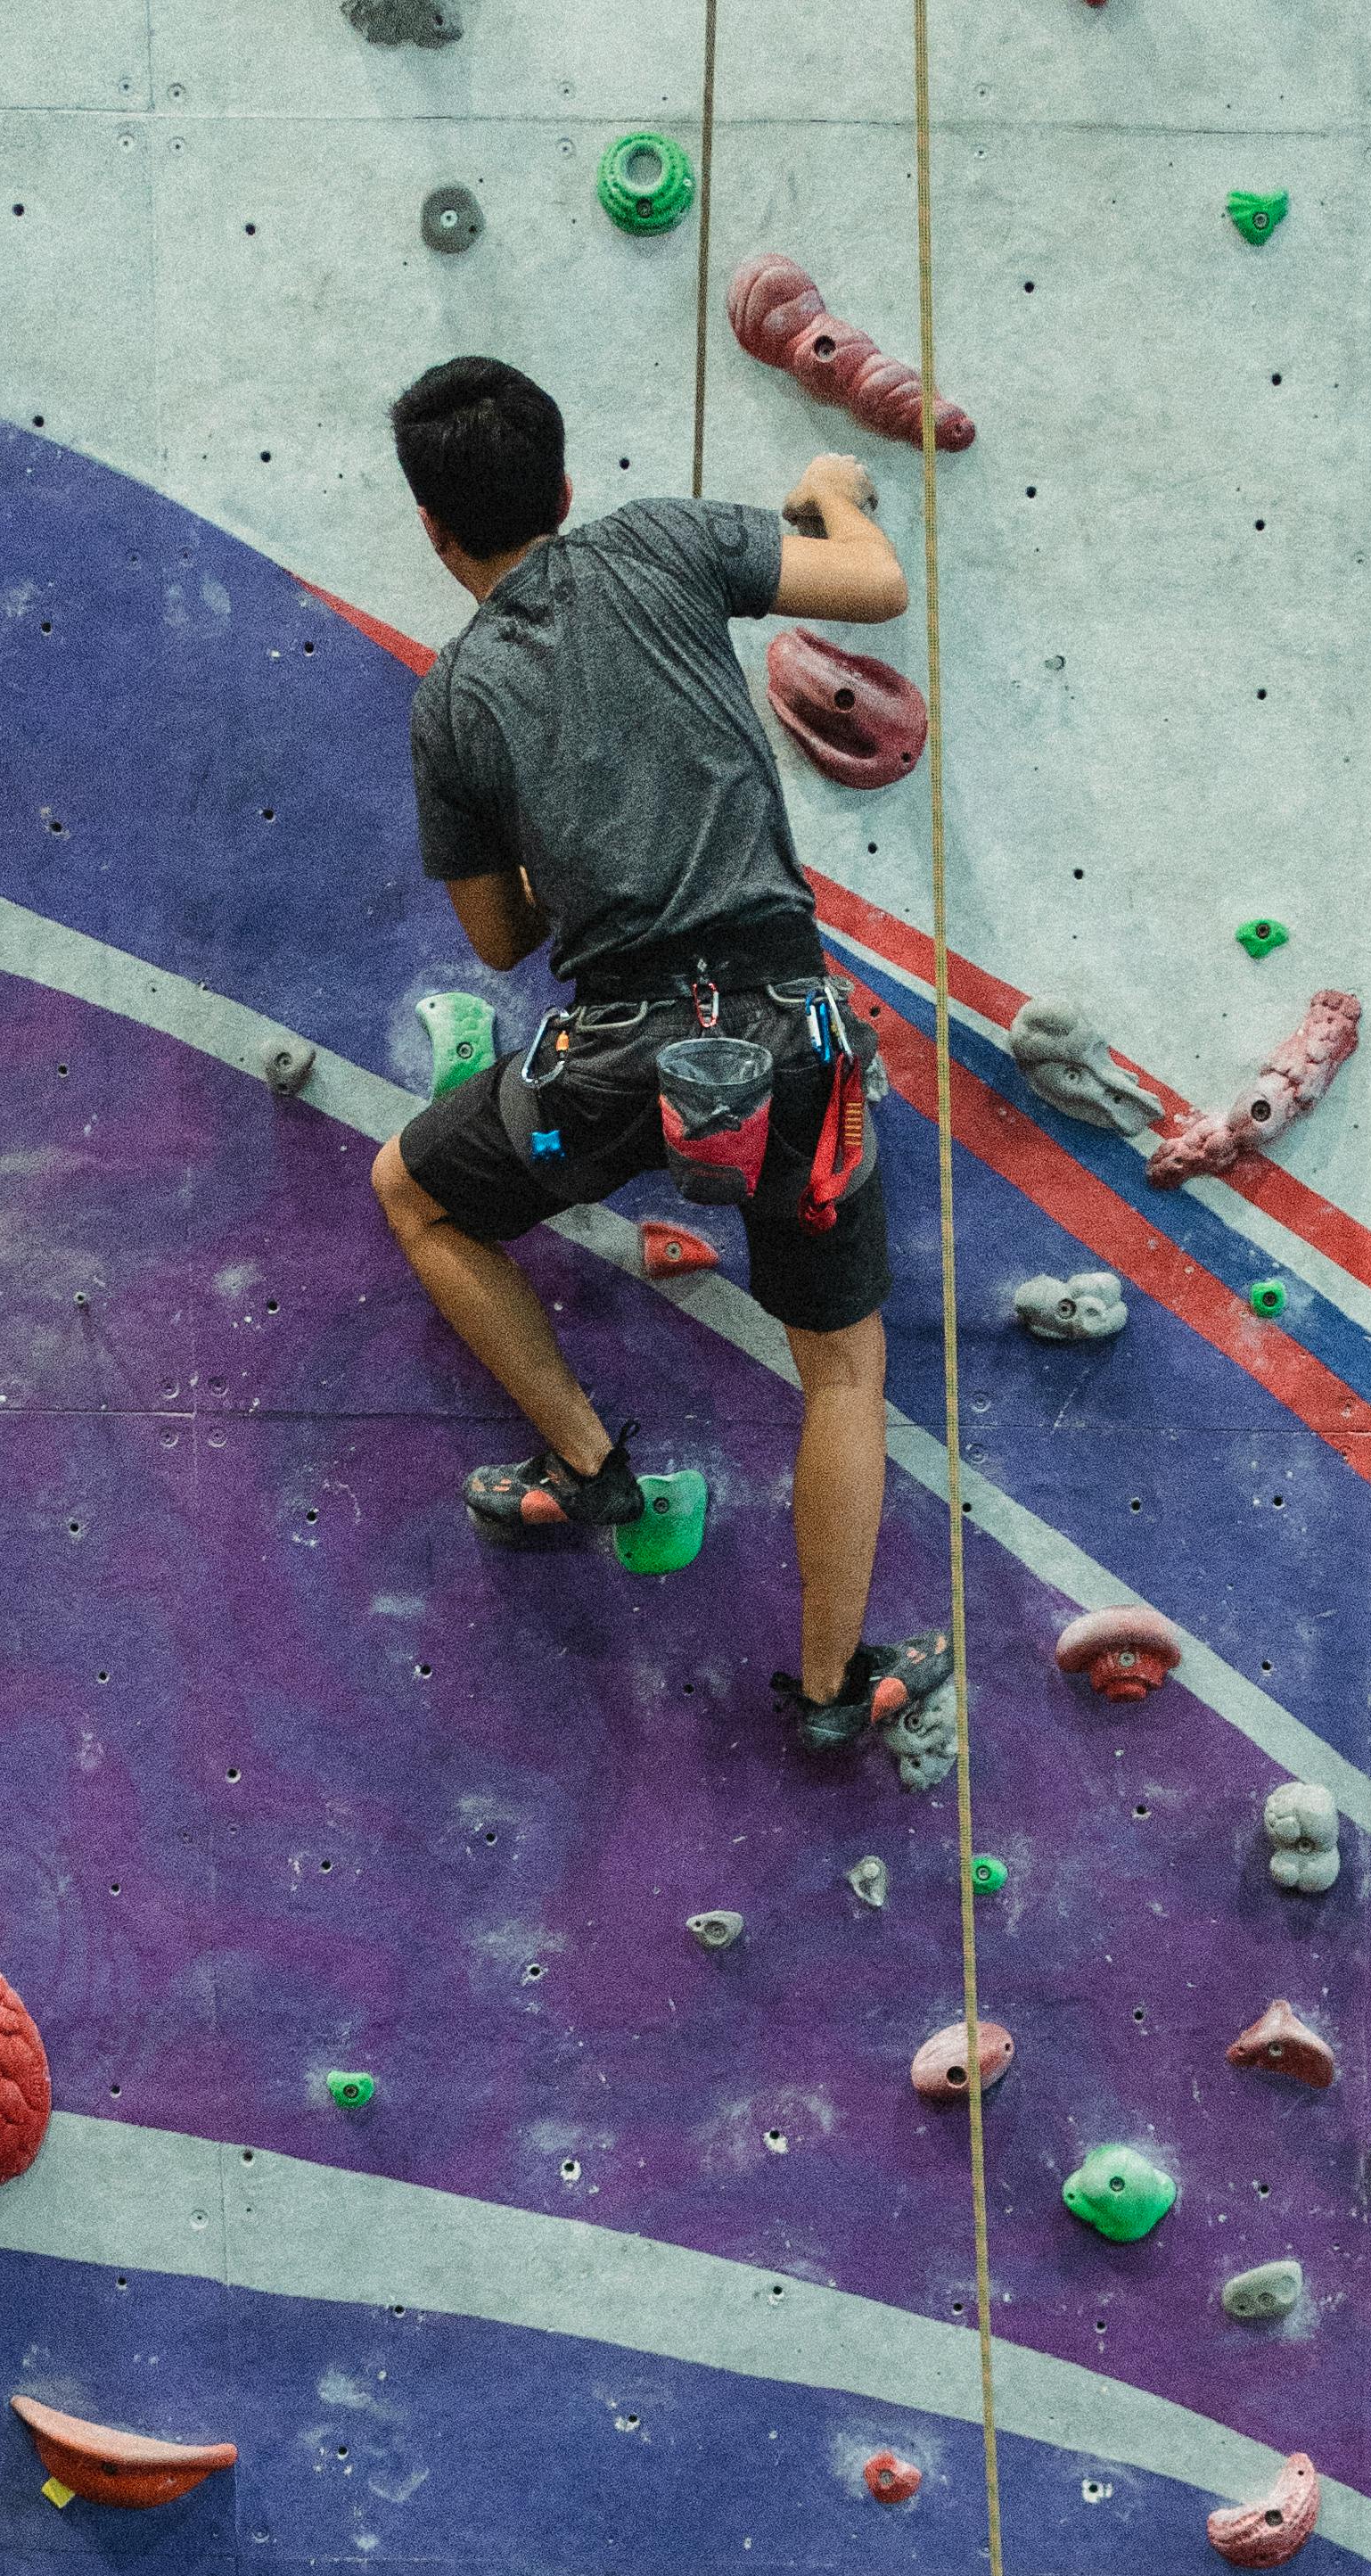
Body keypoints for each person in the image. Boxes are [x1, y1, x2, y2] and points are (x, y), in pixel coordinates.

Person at [369, 352, 945, 1766]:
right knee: (841, 1375)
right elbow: (871, 588)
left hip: (620, 1061)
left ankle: (587, 1465)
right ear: (568, 488)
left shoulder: (452, 701)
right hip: (788, 1037)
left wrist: (563, 823)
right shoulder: (662, 541)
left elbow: (499, 936)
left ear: (437, 535)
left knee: (417, 1191)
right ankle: (827, 1689)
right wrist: (824, 488)